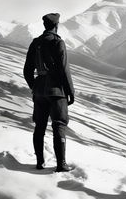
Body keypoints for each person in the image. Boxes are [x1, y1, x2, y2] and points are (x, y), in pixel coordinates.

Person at [23, 13, 75, 172]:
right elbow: (64, 70)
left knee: (39, 126)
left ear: (45, 26)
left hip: (39, 90)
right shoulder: (58, 42)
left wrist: (35, 86)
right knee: (59, 125)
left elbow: (27, 71)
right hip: (56, 90)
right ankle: (61, 164)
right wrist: (70, 92)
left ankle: (40, 162)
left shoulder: (35, 43)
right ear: (56, 25)